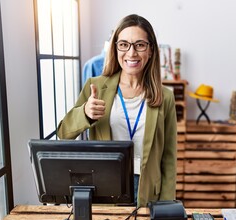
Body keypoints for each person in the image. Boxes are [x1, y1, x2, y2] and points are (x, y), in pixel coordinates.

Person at [57, 14, 177, 207]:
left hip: (147, 190)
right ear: (115, 48)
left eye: (140, 45)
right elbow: (63, 133)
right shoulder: (95, 86)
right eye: (124, 44)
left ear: (151, 50)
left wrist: (167, 205)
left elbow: (169, 157)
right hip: (104, 185)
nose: (131, 53)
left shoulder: (165, 97)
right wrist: (85, 113)